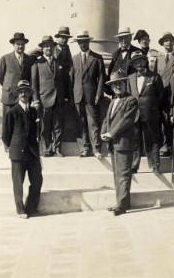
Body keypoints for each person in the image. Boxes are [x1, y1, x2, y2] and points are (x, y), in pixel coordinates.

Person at [2, 80, 43, 219]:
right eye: (21, 92)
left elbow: (38, 131)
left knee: (37, 181)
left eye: (26, 91)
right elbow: (6, 135)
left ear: (30, 94)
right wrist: (14, 146)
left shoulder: (33, 111)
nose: (24, 94)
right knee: (18, 183)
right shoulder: (12, 112)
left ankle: (31, 207)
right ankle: (20, 210)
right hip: (18, 153)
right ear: (18, 94)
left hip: (32, 153)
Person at [101, 69, 139, 216]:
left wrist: (111, 133)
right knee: (117, 174)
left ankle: (122, 205)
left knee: (123, 174)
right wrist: (103, 132)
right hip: (113, 143)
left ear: (126, 84)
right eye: (115, 84)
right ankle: (121, 202)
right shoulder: (113, 101)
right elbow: (107, 119)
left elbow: (126, 120)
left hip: (124, 143)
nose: (118, 86)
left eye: (121, 83)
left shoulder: (131, 100)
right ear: (111, 87)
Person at [31, 35, 71, 157]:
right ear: (42, 48)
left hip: (58, 100)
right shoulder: (37, 64)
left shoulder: (59, 63)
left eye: (50, 46)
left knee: (58, 126)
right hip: (44, 100)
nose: (48, 48)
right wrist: (36, 100)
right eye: (46, 46)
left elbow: (65, 82)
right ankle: (47, 149)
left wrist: (65, 97)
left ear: (53, 47)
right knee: (45, 127)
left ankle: (57, 149)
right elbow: (34, 84)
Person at [70, 30, 106, 158]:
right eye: (80, 42)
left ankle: (96, 148)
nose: (82, 44)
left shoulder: (97, 58)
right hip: (78, 96)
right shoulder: (74, 59)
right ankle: (85, 148)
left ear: (88, 42)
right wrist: (72, 96)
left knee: (93, 122)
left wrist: (98, 95)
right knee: (81, 123)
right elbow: (71, 79)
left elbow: (102, 78)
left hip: (91, 97)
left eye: (84, 42)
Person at [127, 51, 164, 173]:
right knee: (135, 139)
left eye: (141, 60)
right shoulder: (130, 78)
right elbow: (128, 96)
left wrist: (153, 109)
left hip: (150, 115)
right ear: (133, 64)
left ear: (145, 61)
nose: (139, 63)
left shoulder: (154, 77)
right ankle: (134, 165)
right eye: (135, 61)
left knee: (152, 139)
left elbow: (161, 96)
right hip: (134, 115)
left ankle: (155, 165)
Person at [0, 32, 35, 119]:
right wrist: (8, 86)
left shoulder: (28, 59)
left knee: (21, 124)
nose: (20, 46)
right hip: (9, 97)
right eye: (18, 44)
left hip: (23, 97)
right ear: (13, 45)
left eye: (22, 44)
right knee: (8, 123)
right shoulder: (5, 58)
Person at [156, 31, 174, 156]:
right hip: (160, 95)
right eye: (166, 40)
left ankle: (171, 146)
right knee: (161, 120)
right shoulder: (158, 59)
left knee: (171, 120)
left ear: (173, 42)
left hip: (173, 93)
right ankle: (163, 145)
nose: (168, 42)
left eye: (170, 40)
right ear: (163, 43)